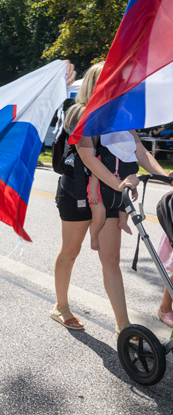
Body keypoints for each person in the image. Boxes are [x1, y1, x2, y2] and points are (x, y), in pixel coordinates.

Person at [51, 62, 173, 337]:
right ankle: (61, 305)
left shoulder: (123, 116)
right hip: (77, 193)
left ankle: (123, 326)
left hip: (109, 195)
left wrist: (165, 176)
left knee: (111, 259)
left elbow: (141, 152)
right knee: (71, 251)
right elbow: (87, 156)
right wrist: (120, 183)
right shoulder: (81, 114)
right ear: (99, 83)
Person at [87, 145, 137, 251]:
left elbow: (132, 176)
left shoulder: (126, 158)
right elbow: (95, 175)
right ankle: (94, 237)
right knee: (99, 216)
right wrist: (93, 192)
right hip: (98, 189)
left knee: (125, 205)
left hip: (117, 188)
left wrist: (134, 190)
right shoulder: (104, 156)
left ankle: (123, 222)